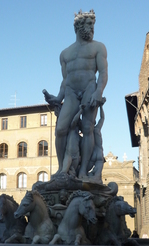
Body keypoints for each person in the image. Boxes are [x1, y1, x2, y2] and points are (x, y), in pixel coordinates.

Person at [44, 10, 108, 179]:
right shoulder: (65, 54)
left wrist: (98, 91)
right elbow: (65, 80)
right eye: (89, 24)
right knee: (60, 129)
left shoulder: (98, 47)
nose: (92, 28)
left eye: (93, 25)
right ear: (79, 27)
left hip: (89, 89)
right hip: (71, 92)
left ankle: (82, 171)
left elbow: (103, 73)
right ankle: (61, 169)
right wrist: (58, 98)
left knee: (87, 128)